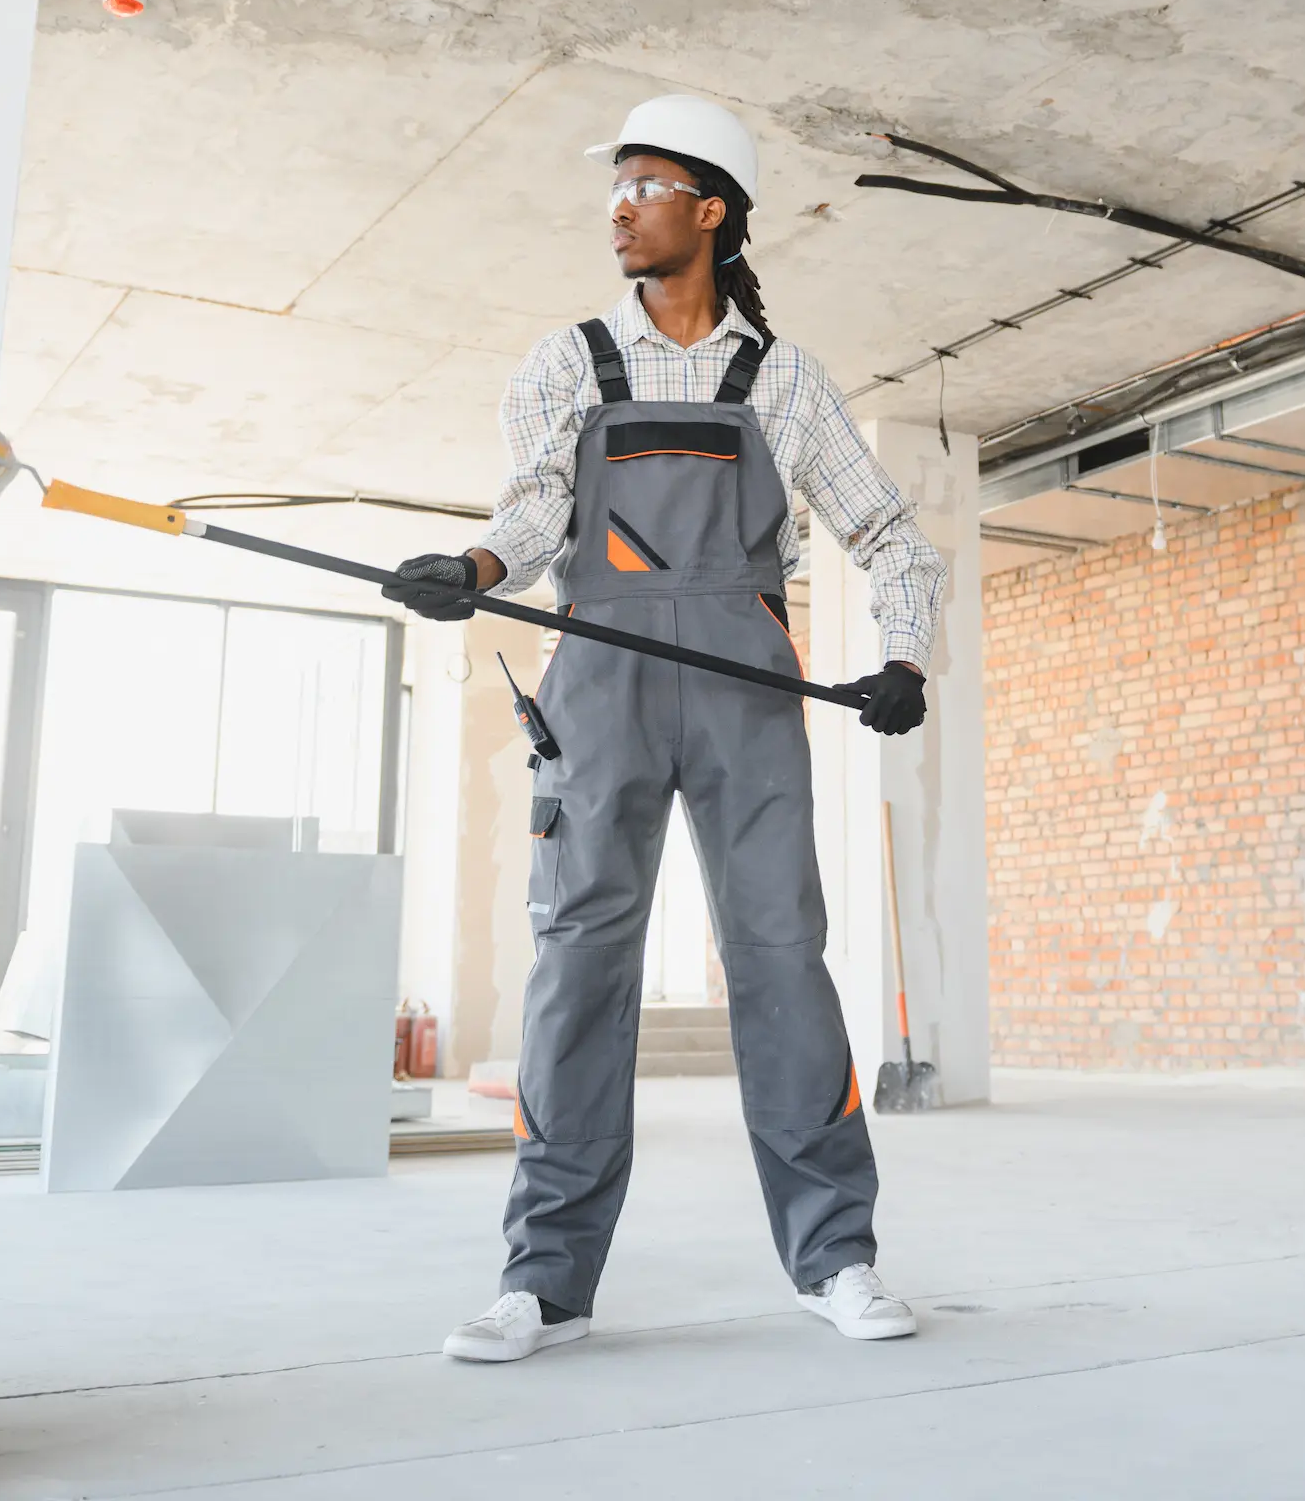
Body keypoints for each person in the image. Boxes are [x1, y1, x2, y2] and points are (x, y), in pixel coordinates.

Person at [392, 93, 944, 1364]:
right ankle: (545, 1282)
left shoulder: (789, 380)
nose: (618, 210)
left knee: (780, 961)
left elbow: (892, 538)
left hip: (751, 683)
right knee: (579, 965)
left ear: (711, 208)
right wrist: (472, 570)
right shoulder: (563, 360)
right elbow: (533, 522)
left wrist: (902, 657)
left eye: (641, 186)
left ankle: (837, 1259)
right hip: (604, 669)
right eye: (613, 192)